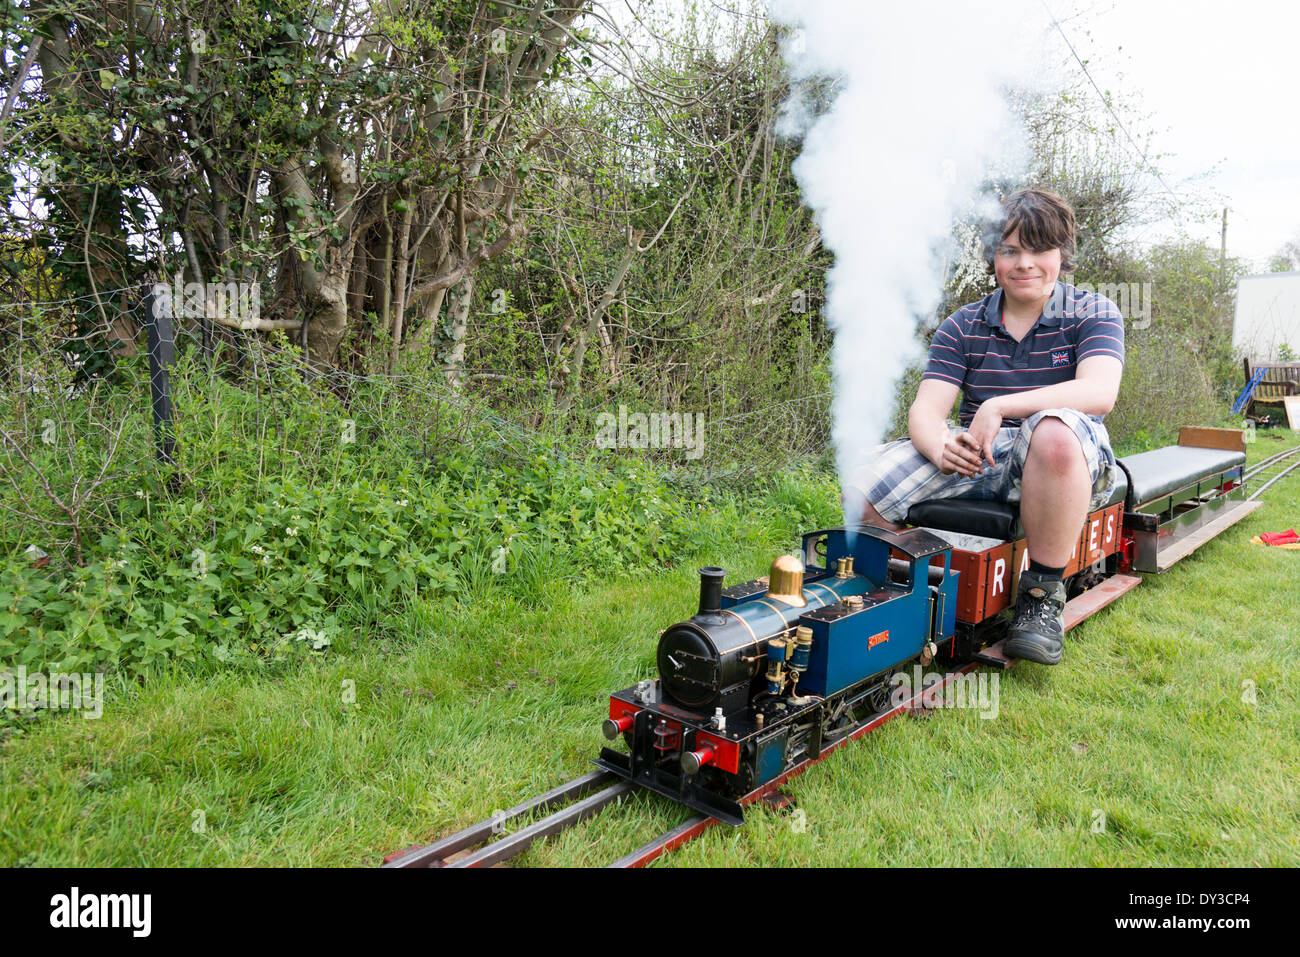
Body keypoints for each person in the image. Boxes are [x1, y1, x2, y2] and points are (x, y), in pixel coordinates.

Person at [843, 188, 1125, 665]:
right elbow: (927, 412)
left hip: (1066, 461)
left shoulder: (1093, 313)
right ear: (992, 256)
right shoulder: (963, 325)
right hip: (984, 454)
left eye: (1039, 249)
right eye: (1009, 249)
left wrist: (1000, 406)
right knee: (863, 485)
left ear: (1063, 254)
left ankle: (1040, 598)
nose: (1024, 263)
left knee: (1053, 430)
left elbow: (1099, 392)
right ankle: (900, 595)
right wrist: (939, 445)